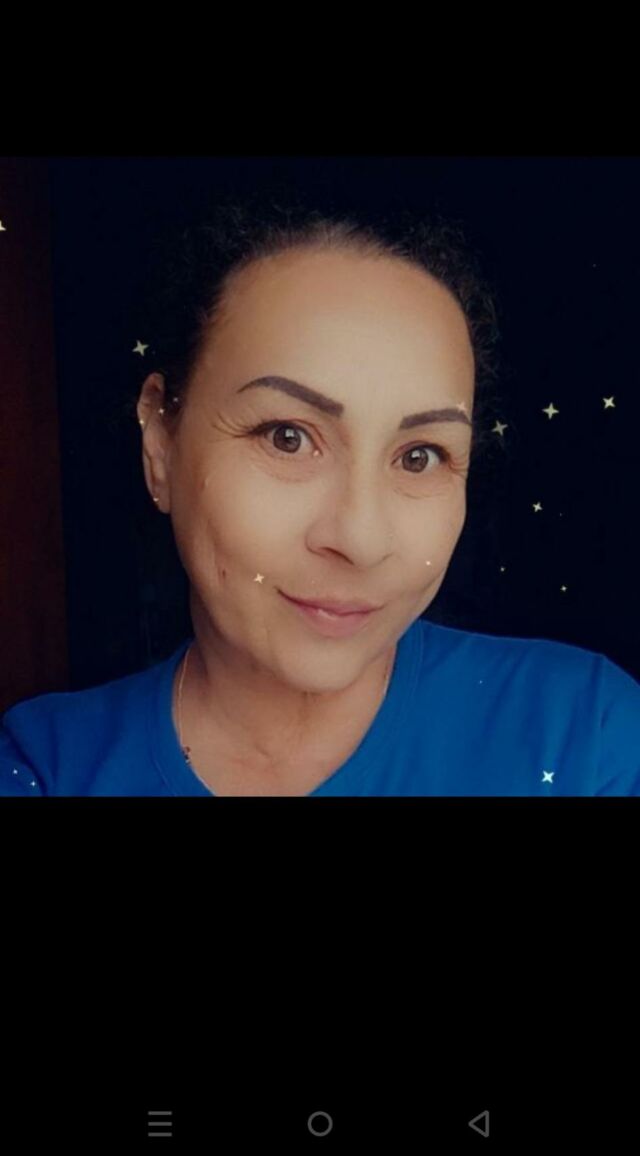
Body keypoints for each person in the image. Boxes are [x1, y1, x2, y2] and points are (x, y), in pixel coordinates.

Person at [2, 190, 639, 795]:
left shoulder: (586, 738)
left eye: (419, 456)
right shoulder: (46, 768)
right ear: (161, 446)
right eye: (287, 437)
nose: (360, 539)